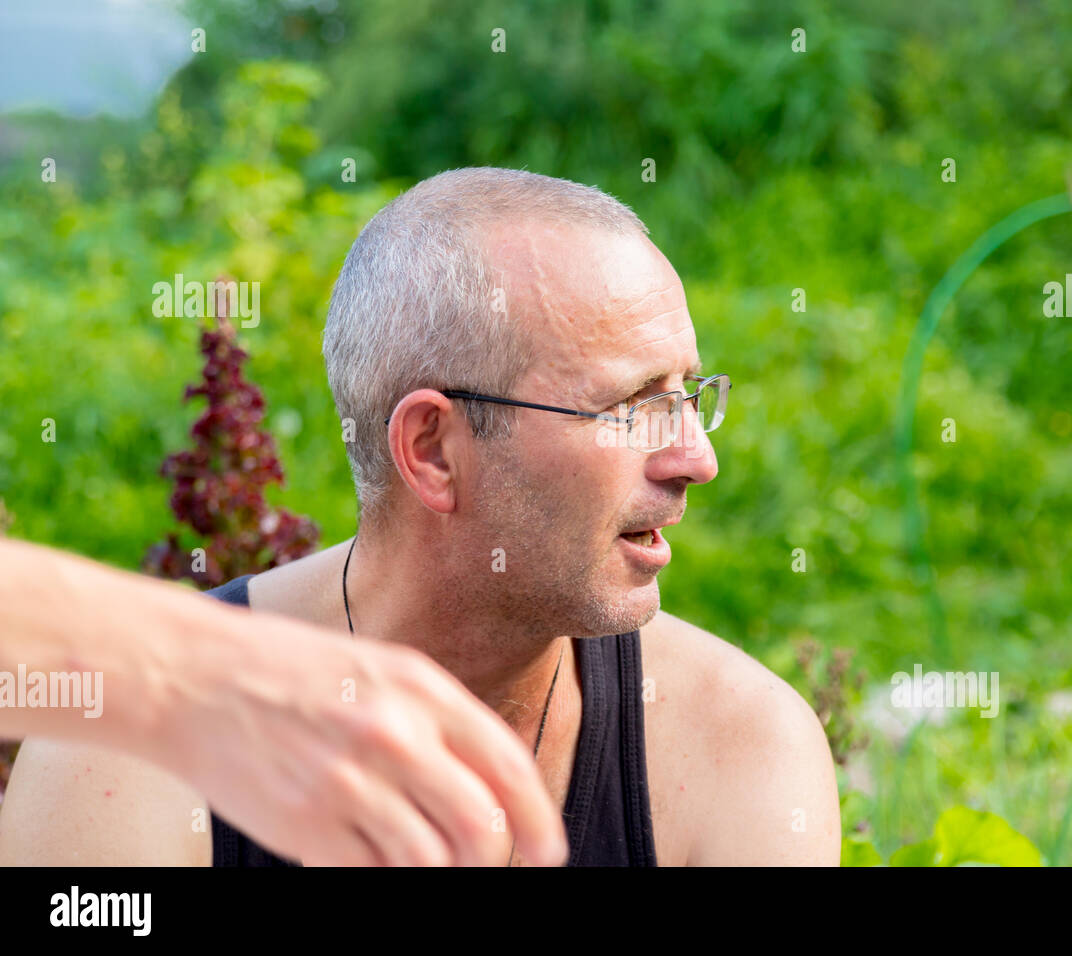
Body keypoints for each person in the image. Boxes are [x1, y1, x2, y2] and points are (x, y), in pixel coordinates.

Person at [1, 167, 841, 866]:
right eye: (631, 405)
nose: (697, 457)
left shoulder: (742, 746)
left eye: (689, 394)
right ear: (434, 449)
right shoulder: (125, 758)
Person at [0, 537, 567, 866]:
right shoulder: (98, 771)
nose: (661, 455)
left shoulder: (653, 685)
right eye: (619, 408)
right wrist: (198, 671)